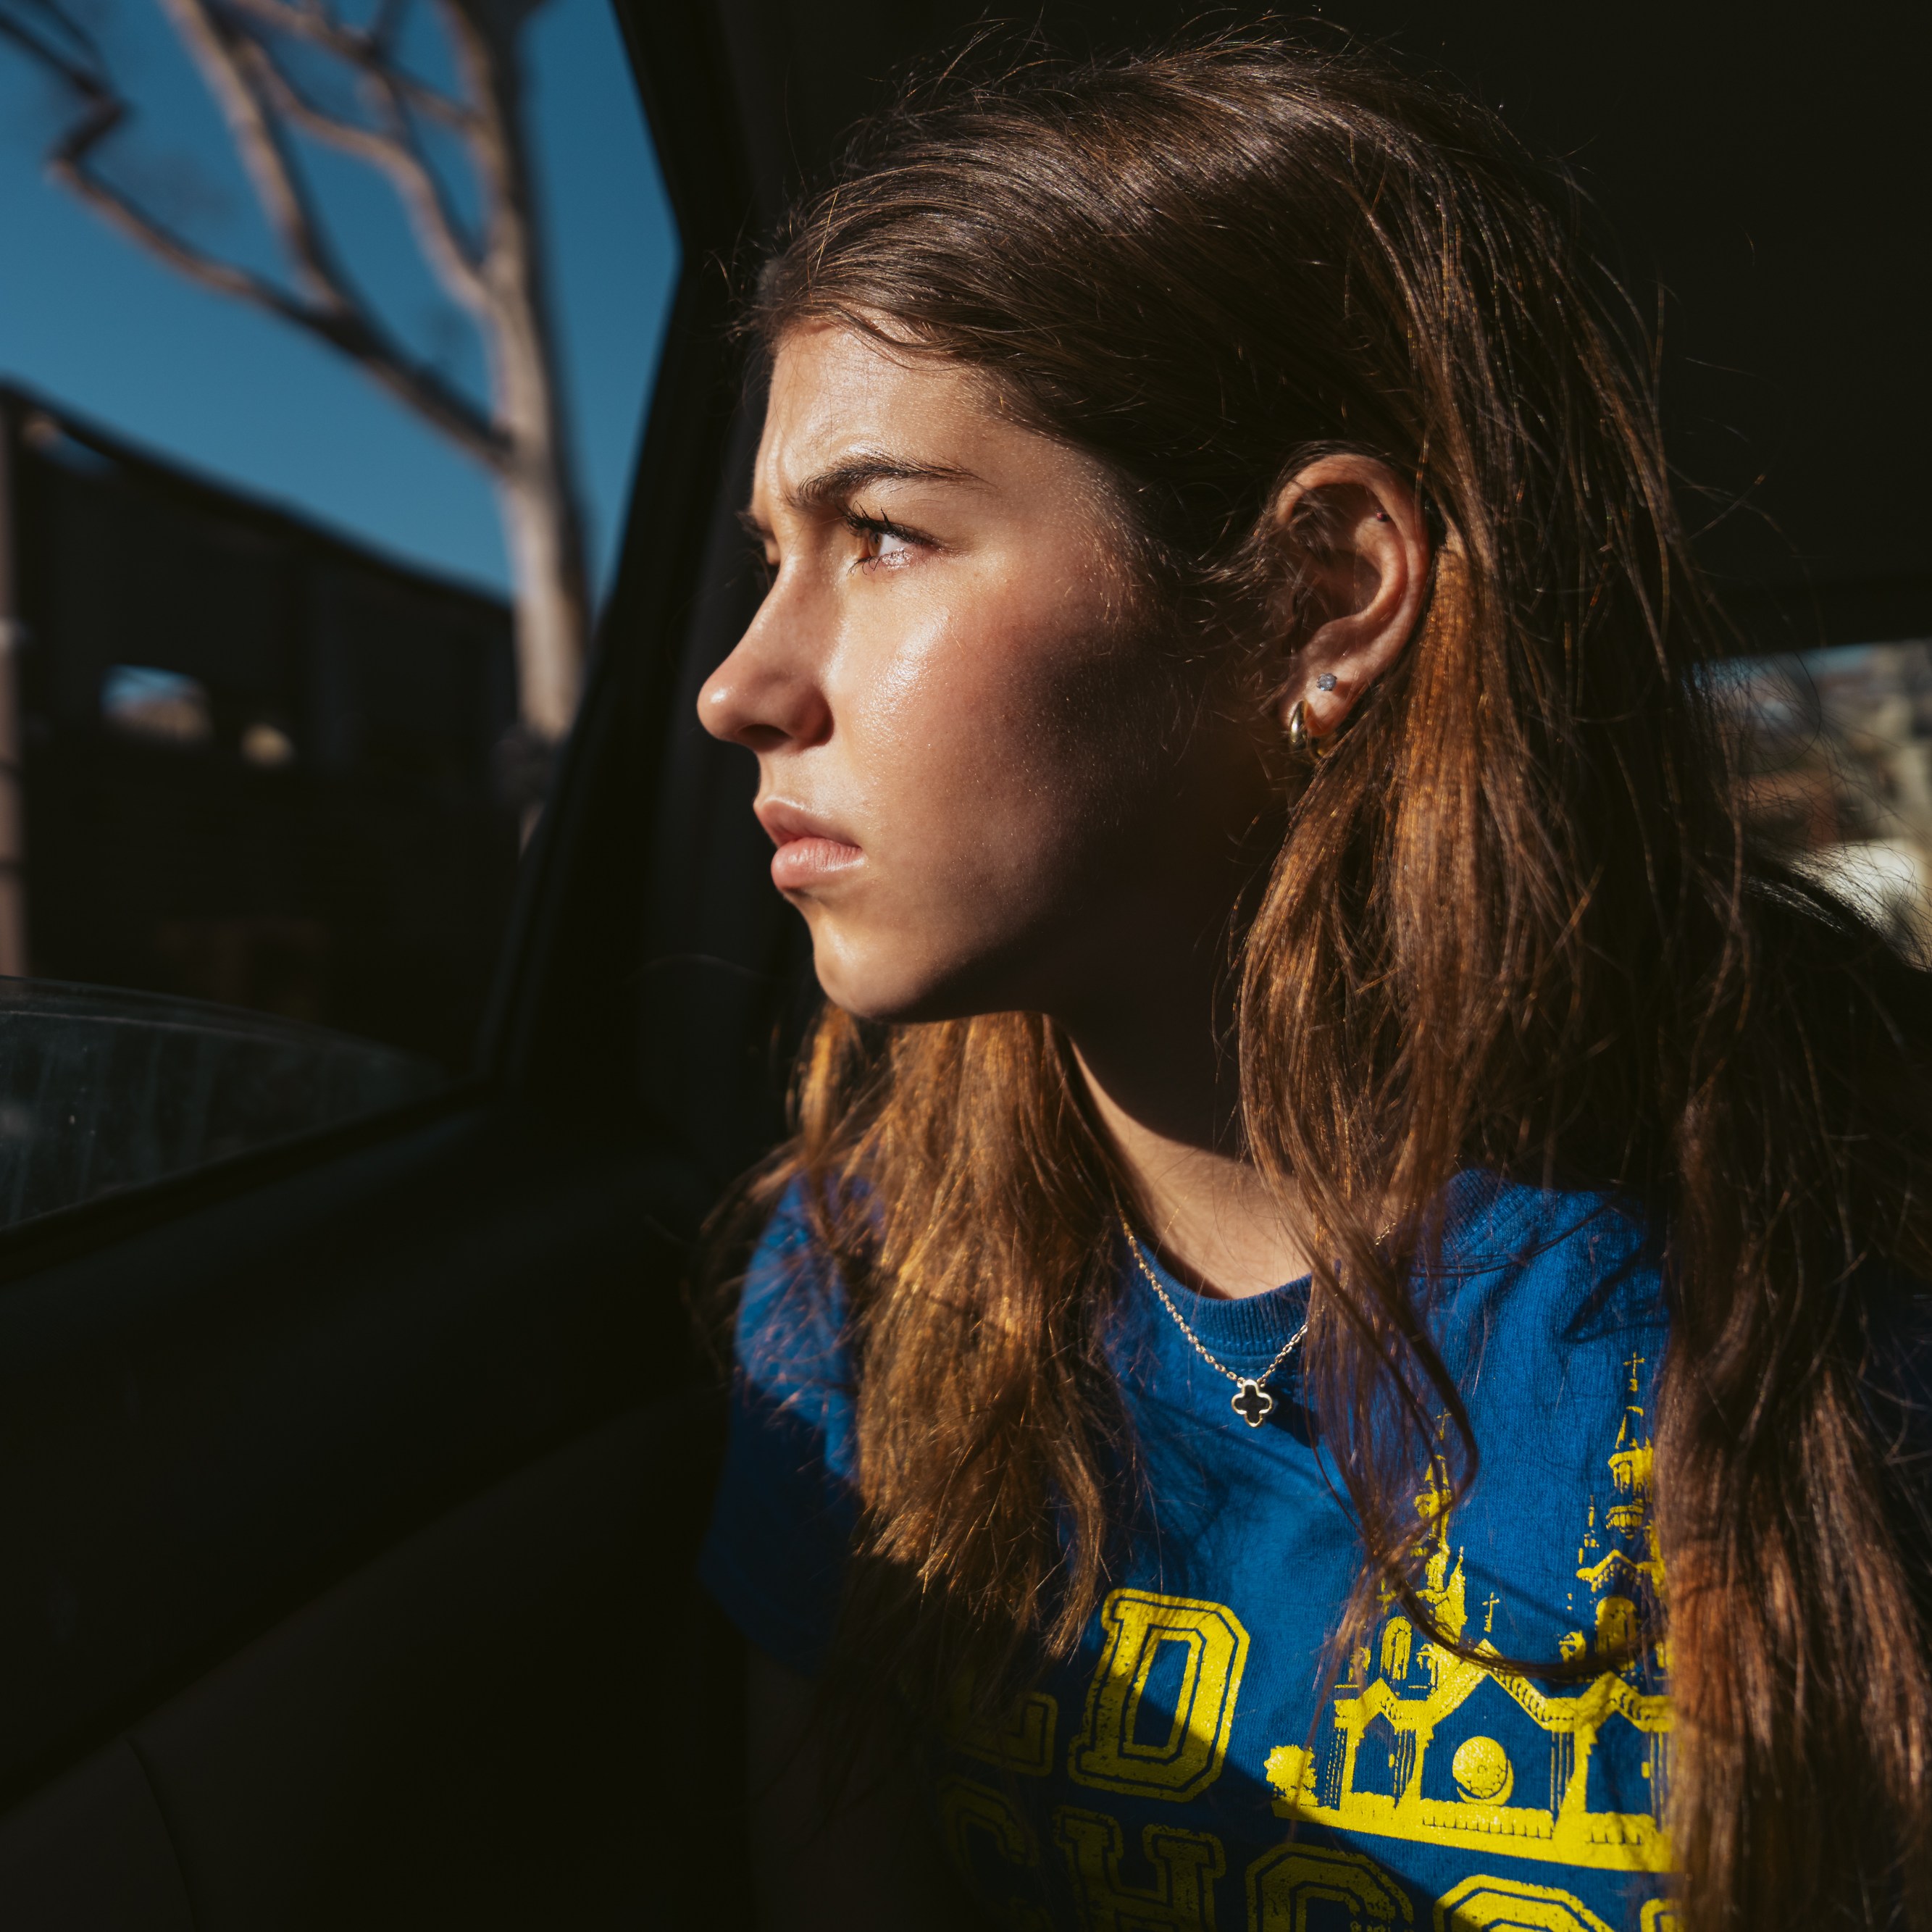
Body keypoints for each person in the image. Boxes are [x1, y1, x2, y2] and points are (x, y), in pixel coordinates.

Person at [693, 32, 1932, 1931]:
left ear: (1319, 592)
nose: (740, 682)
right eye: (773, 552)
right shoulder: (866, 1290)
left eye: (881, 533)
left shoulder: (1840, 1240)